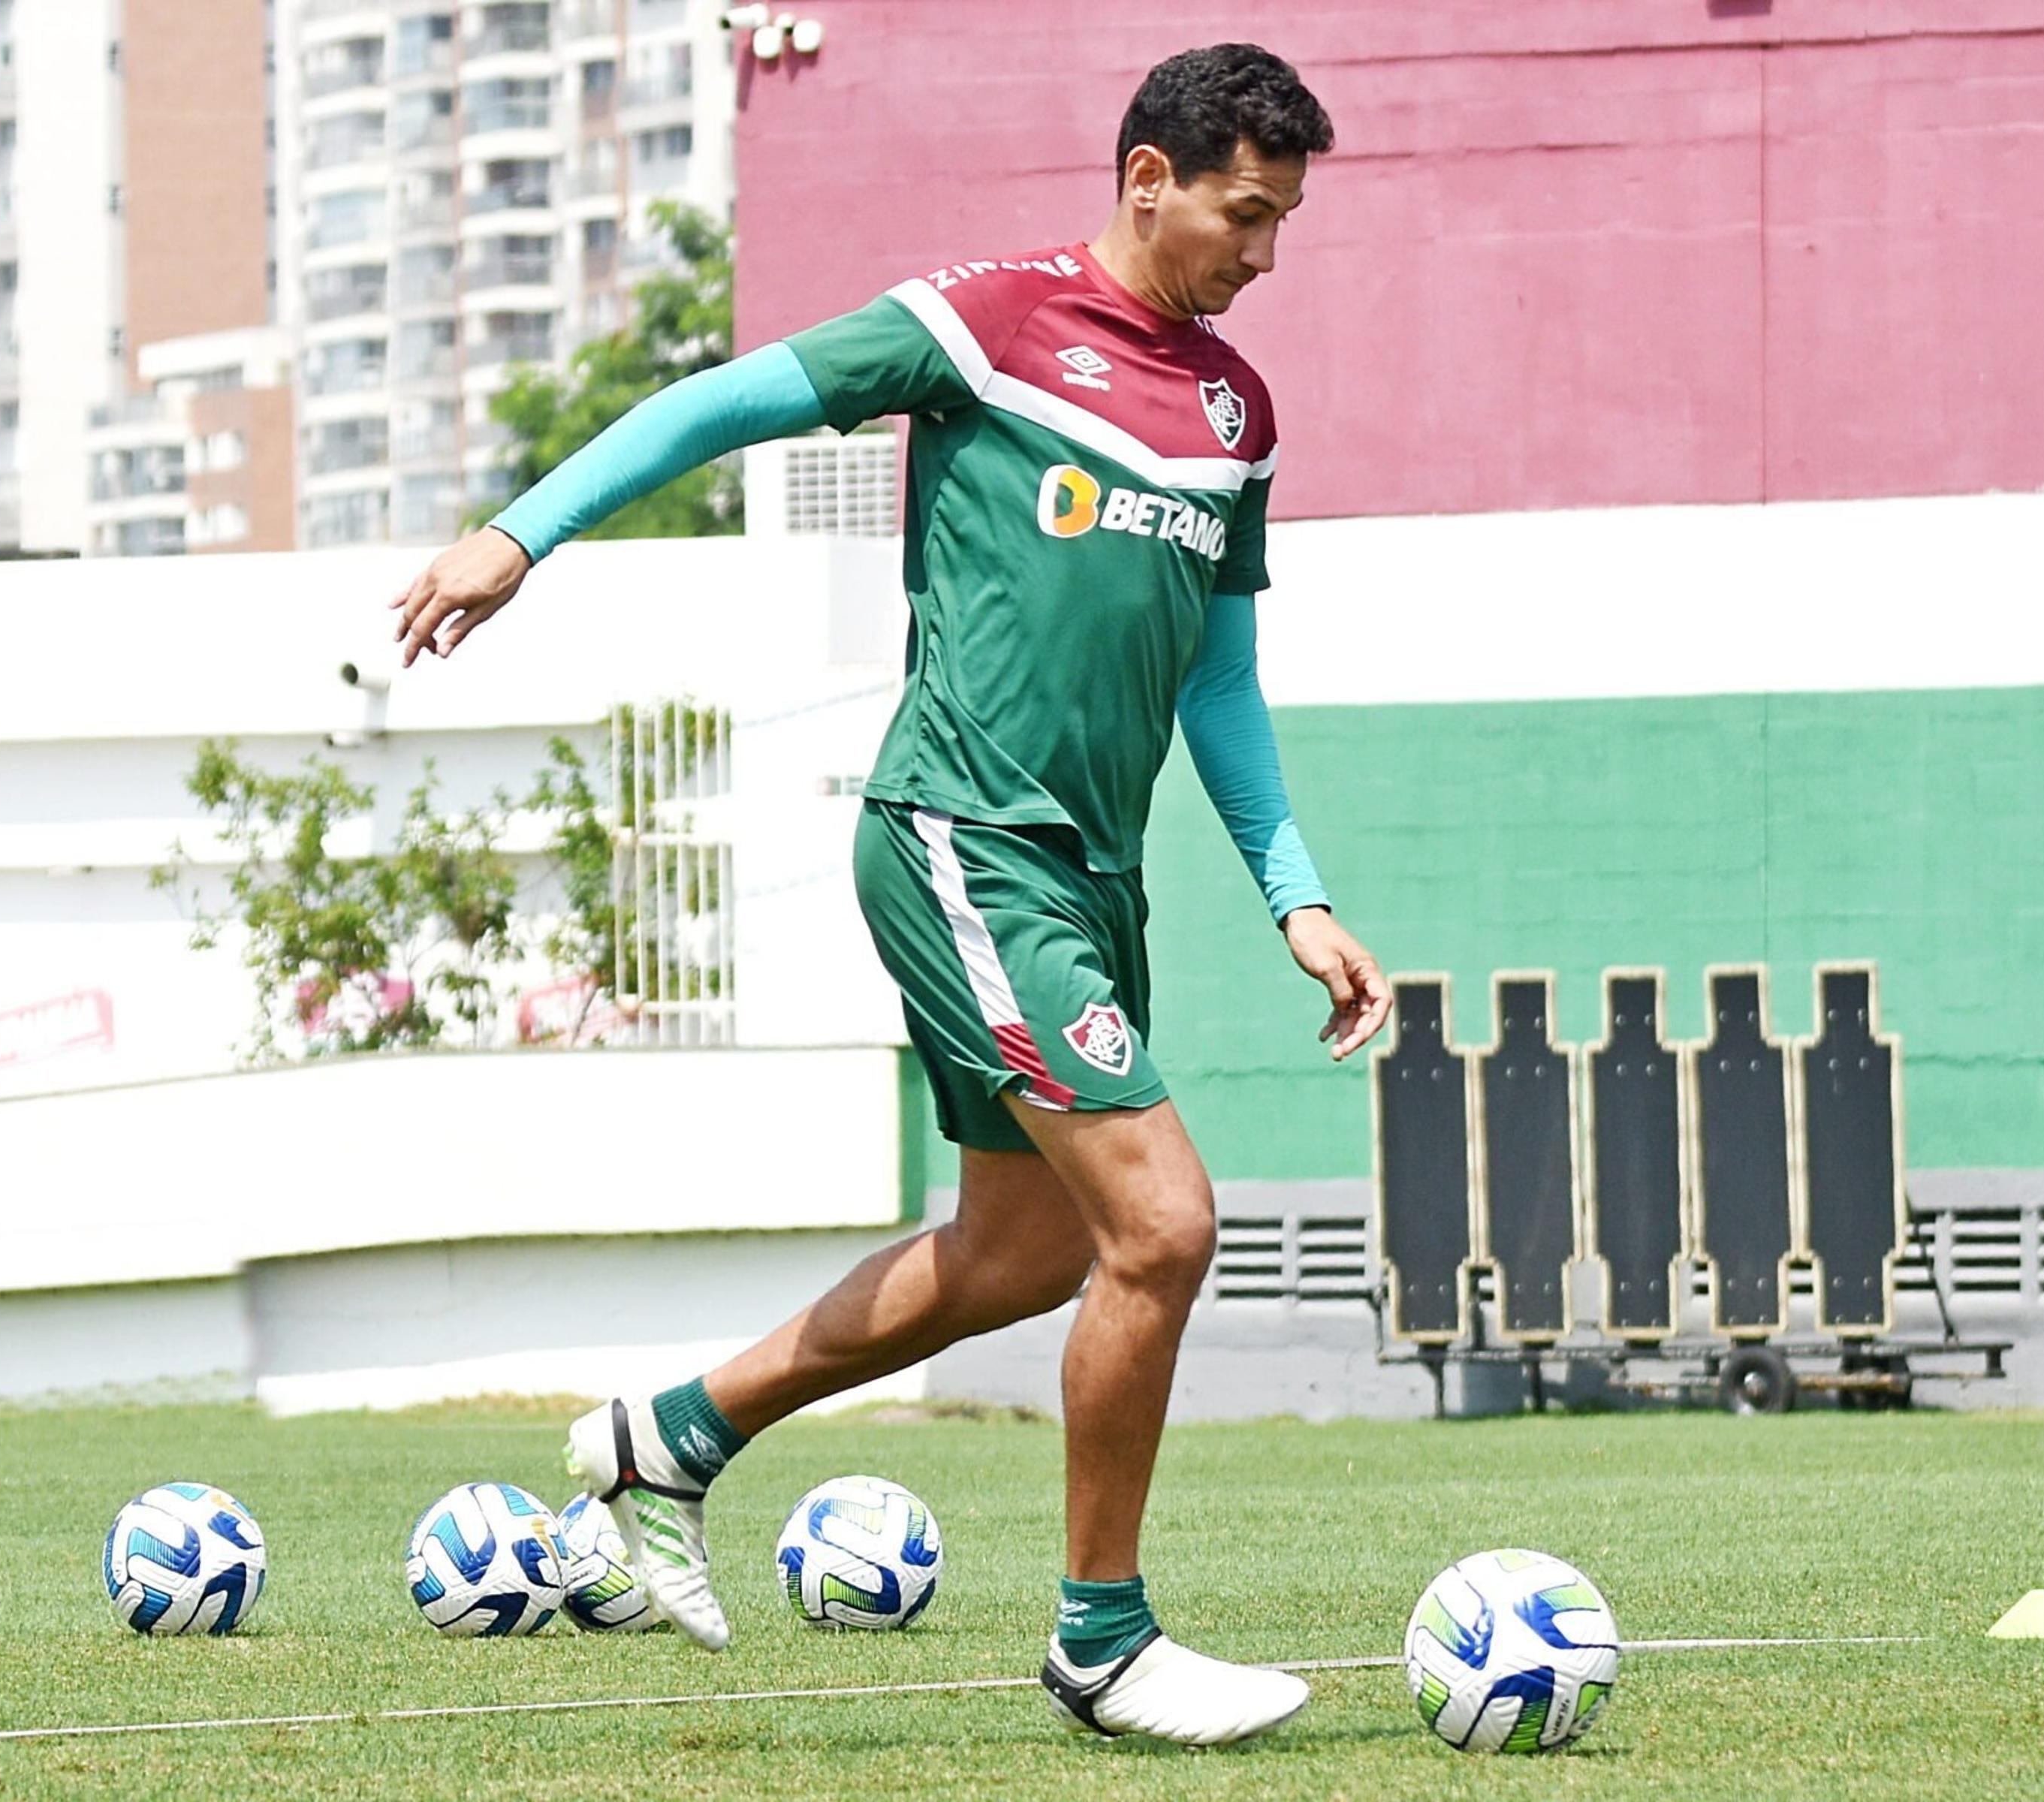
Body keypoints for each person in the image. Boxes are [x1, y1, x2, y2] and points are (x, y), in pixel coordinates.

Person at [388, 45, 1386, 1745]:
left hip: (1086, 871)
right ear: (1146, 176)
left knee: (1019, 1252)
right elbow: (723, 400)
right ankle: (1100, 1636)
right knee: (1163, 1224)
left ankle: (670, 1433)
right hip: (959, 835)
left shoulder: (1235, 415)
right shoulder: (986, 324)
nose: (1262, 255)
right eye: (1243, 213)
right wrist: (521, 533)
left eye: (1282, 222)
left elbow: (1217, 677)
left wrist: (1290, 890)